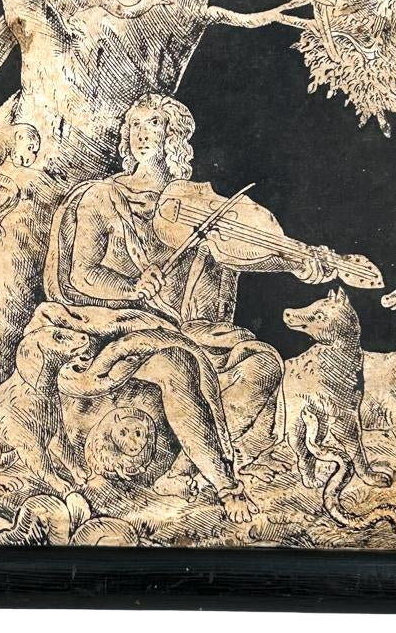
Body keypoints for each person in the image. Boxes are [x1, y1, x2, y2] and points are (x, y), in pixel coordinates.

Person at [35, 93, 335, 522]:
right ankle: (224, 483)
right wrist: (132, 287)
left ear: (172, 136)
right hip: (117, 325)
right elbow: (83, 274)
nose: (141, 134)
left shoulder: (194, 206)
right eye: (135, 125)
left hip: (184, 328)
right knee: (176, 363)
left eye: (153, 124)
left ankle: (183, 469)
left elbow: (235, 250)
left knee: (264, 363)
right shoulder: (103, 196)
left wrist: (293, 260)